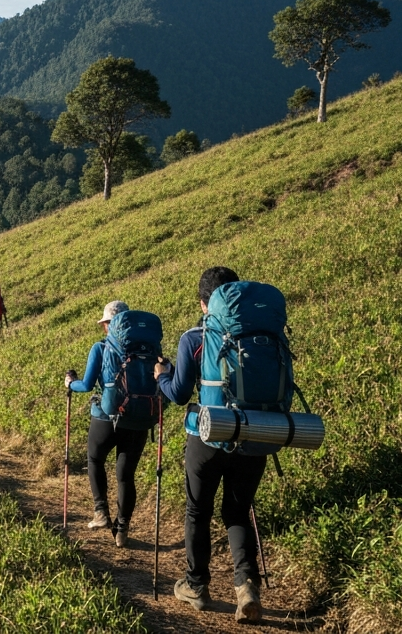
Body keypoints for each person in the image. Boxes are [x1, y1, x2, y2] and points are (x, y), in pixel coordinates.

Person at [155, 266, 268, 624]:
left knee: (197, 511)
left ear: (205, 303)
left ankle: (196, 586)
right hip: (256, 433)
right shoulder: (263, 333)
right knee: (237, 512)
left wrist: (162, 376)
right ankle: (247, 587)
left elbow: (178, 394)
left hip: (208, 436)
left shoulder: (194, 337)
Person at [63, 300, 151, 548]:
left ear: (106, 326)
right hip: (137, 420)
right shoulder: (149, 348)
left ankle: (101, 512)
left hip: (104, 417)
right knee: (126, 476)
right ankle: (121, 530)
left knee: (95, 460)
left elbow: (88, 385)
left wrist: (71, 383)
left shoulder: (101, 348)